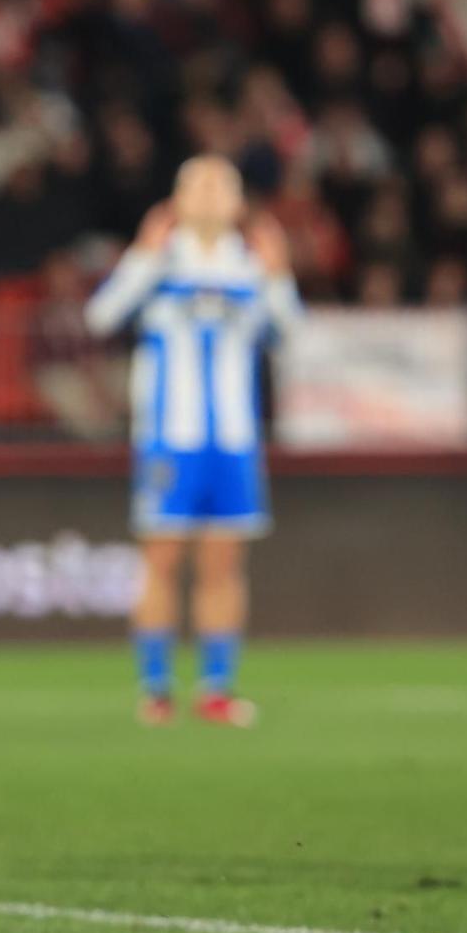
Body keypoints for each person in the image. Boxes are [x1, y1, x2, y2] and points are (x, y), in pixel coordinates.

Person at [84, 156, 300, 726]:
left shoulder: (252, 264)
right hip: (167, 440)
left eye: (218, 185)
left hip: (232, 440)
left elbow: (291, 334)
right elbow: (101, 316)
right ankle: (155, 690)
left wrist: (278, 275)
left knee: (224, 565)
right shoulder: (160, 260)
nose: (206, 195)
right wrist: (142, 256)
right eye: (195, 184)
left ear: (237, 203)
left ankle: (216, 690)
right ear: (176, 199)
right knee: (161, 560)